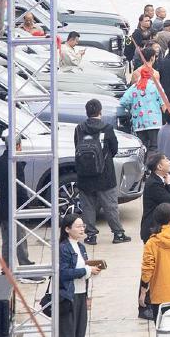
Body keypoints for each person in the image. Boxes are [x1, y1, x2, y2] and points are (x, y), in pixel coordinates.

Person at [72, 99, 129, 246]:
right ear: (100, 111)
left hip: (84, 175)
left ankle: (91, 235)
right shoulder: (107, 128)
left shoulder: (79, 129)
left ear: (86, 112)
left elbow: (76, 146)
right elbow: (114, 149)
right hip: (105, 175)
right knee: (110, 206)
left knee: (88, 207)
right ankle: (118, 233)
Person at [58, 212, 101, 337]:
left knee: (80, 331)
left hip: (81, 293)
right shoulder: (63, 248)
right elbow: (64, 273)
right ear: (67, 229)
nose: (82, 229)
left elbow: (83, 268)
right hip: (68, 296)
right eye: (78, 226)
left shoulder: (81, 247)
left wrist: (91, 271)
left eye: (83, 226)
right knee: (68, 332)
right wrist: (86, 270)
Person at [0, 133, 33, 266]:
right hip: (16, 206)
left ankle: (6, 266)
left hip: (3, 206)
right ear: (17, 146)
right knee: (20, 238)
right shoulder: (16, 164)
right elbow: (20, 188)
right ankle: (24, 263)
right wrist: (26, 206)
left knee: (6, 240)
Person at [119, 50, 163, 151]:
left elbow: (125, 100)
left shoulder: (136, 74)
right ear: (152, 58)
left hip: (139, 119)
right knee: (154, 147)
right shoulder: (156, 75)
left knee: (141, 147)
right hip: (154, 119)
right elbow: (161, 99)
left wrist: (132, 107)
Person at [140, 151, 170, 242]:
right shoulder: (154, 184)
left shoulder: (158, 180)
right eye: (166, 160)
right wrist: (169, 184)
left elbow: (166, 198)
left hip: (156, 228)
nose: (169, 162)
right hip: (153, 231)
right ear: (159, 167)